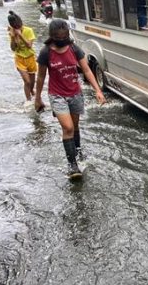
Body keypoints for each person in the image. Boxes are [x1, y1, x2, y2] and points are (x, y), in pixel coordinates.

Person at [34, 19, 105, 178]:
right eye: (58, 38)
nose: (61, 41)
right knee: (68, 128)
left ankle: (78, 152)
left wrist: (98, 90)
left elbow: (86, 70)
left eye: (63, 37)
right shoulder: (46, 52)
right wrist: (37, 98)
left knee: (75, 126)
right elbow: (40, 77)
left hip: (75, 93)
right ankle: (72, 165)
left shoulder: (74, 49)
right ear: (52, 36)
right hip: (57, 95)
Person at [7, 11, 37, 103]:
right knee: (27, 82)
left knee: (32, 82)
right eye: (15, 27)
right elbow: (13, 49)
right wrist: (12, 37)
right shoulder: (11, 32)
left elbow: (29, 45)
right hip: (19, 59)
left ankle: (31, 90)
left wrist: (20, 35)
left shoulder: (28, 30)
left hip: (30, 57)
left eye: (19, 26)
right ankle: (28, 101)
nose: (18, 28)